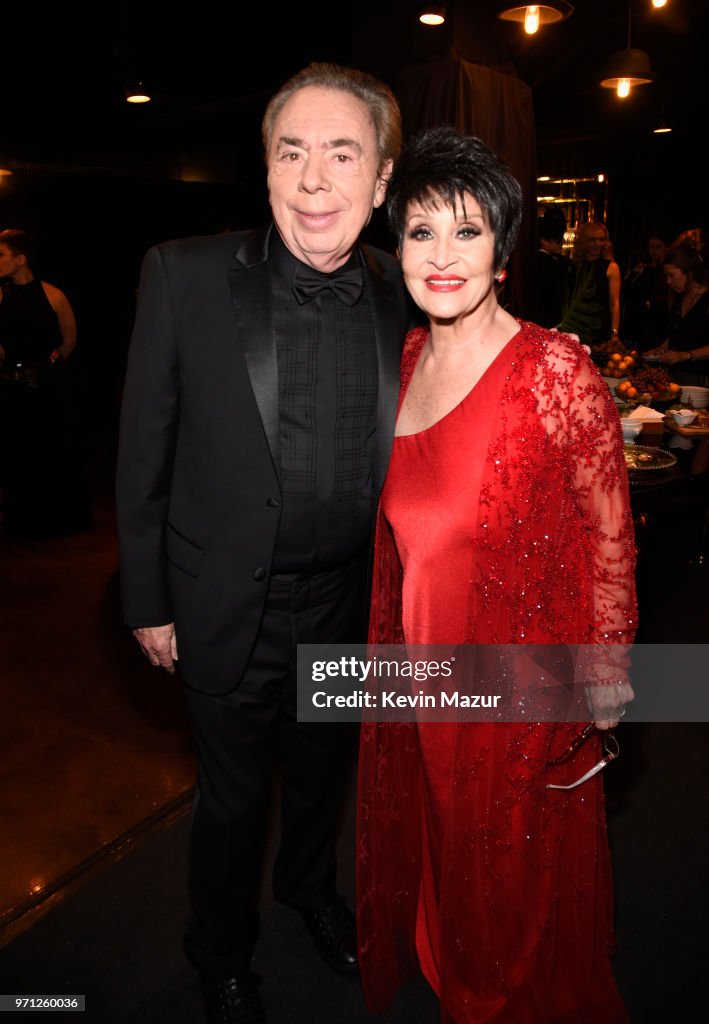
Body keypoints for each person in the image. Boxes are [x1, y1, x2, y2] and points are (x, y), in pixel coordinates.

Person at [115, 62, 417, 1024]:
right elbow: (140, 454)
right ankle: (220, 952)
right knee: (233, 803)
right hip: (222, 604)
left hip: (348, 600)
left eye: (342, 154)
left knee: (324, 775)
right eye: (293, 152)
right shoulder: (183, 273)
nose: (314, 179)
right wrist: (147, 599)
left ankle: (309, 893)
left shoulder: (406, 295)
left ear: (380, 182)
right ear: (267, 168)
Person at [356, 126, 637, 1024]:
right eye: (421, 232)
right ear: (395, 247)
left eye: (467, 232)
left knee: (509, 861)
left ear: (503, 251)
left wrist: (600, 676)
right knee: (442, 829)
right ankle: (450, 963)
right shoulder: (403, 362)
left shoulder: (557, 370)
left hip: (516, 681)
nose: (442, 256)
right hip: (422, 667)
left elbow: (609, 537)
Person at [0, 228, 92, 537]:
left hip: (46, 389)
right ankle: (19, 520)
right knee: (16, 456)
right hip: (10, 388)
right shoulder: (0, 294)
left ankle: (54, 521)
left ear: (20, 259)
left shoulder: (54, 294)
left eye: (0, 255)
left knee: (51, 453)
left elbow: (70, 340)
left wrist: (47, 365)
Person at [645, 238, 709, 387]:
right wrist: (660, 349)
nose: (668, 281)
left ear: (688, 273)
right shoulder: (678, 297)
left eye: (672, 275)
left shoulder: (706, 299)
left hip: (699, 380)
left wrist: (686, 355)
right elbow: (678, 333)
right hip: (675, 376)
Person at [560, 220, 621, 349]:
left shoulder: (611, 267)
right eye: (593, 240)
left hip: (598, 331)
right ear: (584, 242)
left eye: (601, 239)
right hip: (573, 328)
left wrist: (614, 334)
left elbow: (614, 303)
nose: (598, 244)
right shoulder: (574, 267)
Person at [621, 232, 670, 352]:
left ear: (666, 248)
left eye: (658, 247)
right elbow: (628, 291)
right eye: (651, 247)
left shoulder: (669, 271)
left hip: (658, 322)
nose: (654, 251)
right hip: (639, 321)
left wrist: (651, 303)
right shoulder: (644, 268)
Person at [533, 206, 571, 328]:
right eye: (557, 239)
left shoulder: (530, 262)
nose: (562, 243)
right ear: (544, 240)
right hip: (552, 323)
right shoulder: (554, 265)